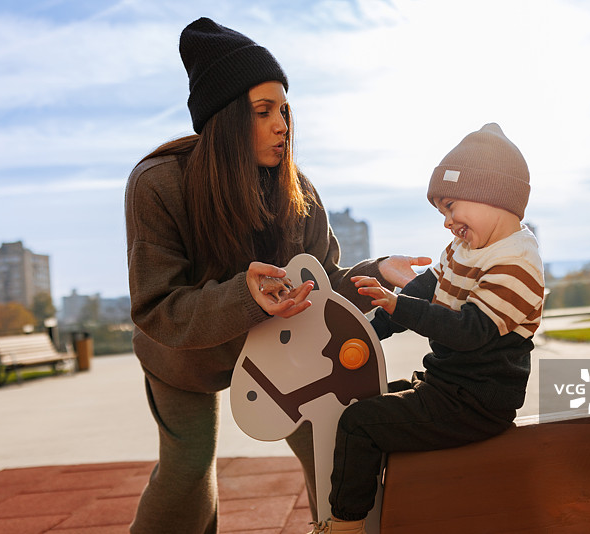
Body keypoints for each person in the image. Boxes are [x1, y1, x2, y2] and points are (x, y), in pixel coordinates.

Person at [124, 17, 428, 534]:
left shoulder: (296, 191)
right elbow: (158, 308)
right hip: (184, 360)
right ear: (224, 120)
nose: (282, 125)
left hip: (278, 351)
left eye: (284, 110)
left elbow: (323, 281)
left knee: (334, 446)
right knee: (188, 470)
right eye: (263, 112)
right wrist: (243, 296)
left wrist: (375, 274)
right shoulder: (158, 185)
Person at [309, 124, 546, 533]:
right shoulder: (465, 248)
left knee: (359, 423)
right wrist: (365, 329)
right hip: (448, 389)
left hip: (476, 403)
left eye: (452, 207)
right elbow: (425, 288)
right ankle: (391, 506)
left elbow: (468, 331)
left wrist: (399, 306)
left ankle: (344, 527)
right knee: (369, 395)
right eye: (442, 213)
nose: (447, 223)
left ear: (493, 195)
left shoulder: (517, 263)